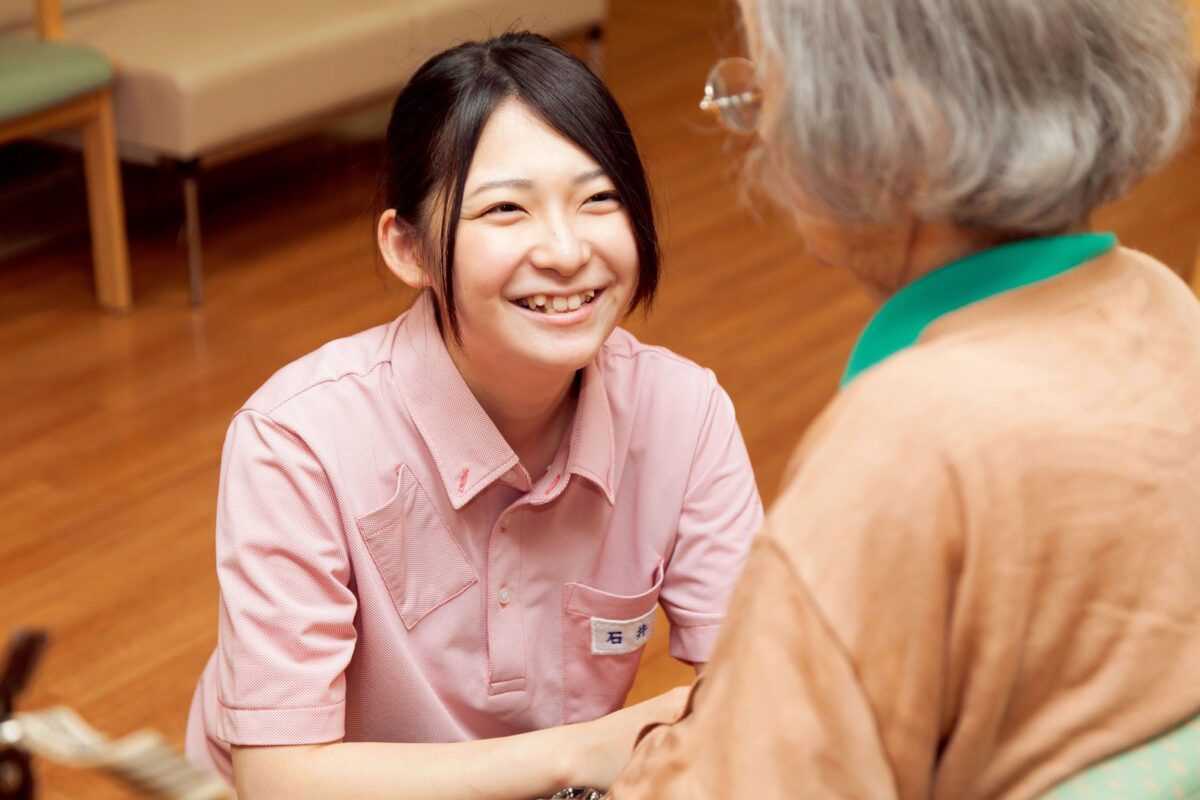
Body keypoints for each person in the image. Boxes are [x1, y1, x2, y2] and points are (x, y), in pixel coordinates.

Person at [607, 0, 1200, 797]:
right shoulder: (1164, 304)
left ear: (901, 144)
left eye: (773, 93)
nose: (766, 133)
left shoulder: (905, 446)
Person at [183, 32, 763, 799]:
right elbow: (281, 779)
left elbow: (761, 697)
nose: (564, 250)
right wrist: (581, 753)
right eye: (505, 209)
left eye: (599, 199)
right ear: (409, 248)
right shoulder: (298, 441)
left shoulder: (685, 415)